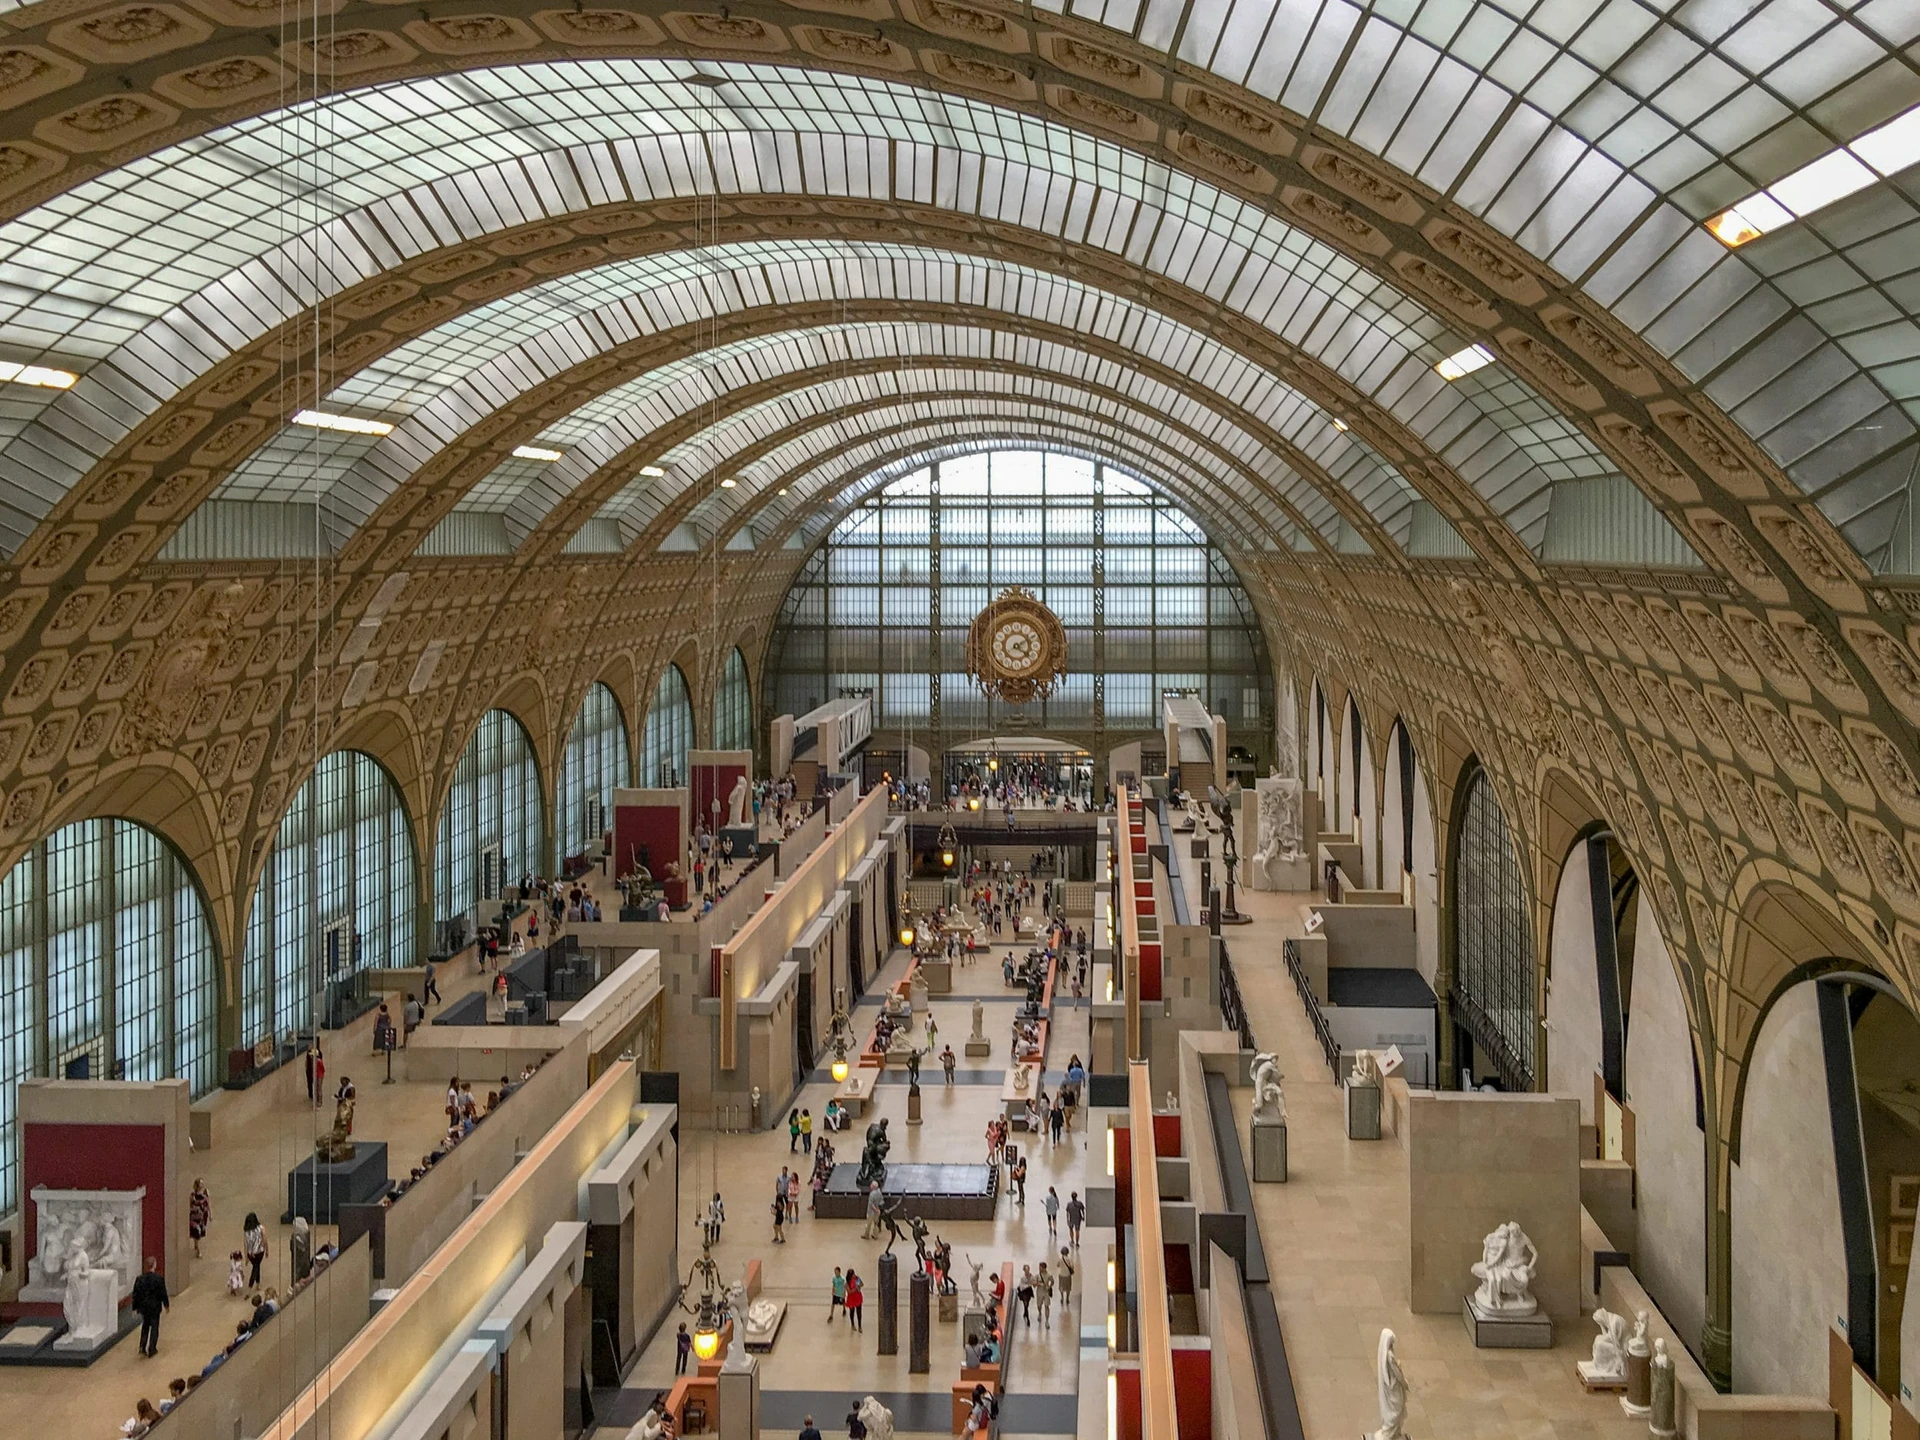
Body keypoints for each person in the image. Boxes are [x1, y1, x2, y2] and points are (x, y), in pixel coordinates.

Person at [131, 1256, 169, 1357]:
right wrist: (166, 1305)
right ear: (154, 1265)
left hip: (144, 1307)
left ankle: (142, 1346)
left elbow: (135, 1295)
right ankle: (152, 1348)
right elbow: (163, 1293)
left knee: (145, 1326)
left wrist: (134, 1308)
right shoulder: (159, 1279)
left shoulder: (139, 1279)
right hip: (155, 1307)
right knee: (154, 1327)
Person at [242, 1212, 267, 1288]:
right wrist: (267, 1250)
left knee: (256, 1266)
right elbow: (264, 1240)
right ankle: (252, 1284)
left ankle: (257, 1283)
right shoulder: (261, 1228)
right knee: (256, 1267)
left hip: (251, 1254)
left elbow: (245, 1244)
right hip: (260, 1252)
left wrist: (246, 1256)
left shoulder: (246, 1232)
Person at [188, 1178, 211, 1258]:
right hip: (194, 1216)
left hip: (203, 1216)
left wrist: (210, 1214)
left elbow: (208, 1204)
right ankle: (198, 1250)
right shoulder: (192, 1195)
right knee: (197, 1231)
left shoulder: (205, 1193)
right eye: (200, 1184)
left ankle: (196, 1244)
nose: (202, 1185)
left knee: (200, 1233)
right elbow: (190, 1205)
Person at [290, 1215, 313, 1282]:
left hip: (300, 1263)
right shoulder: (304, 1235)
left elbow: (302, 1250)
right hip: (300, 1262)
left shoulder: (299, 1238)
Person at [1035, 1262, 1054, 1328]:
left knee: (1046, 1306)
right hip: (1039, 1292)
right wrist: (1039, 1284)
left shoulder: (1049, 1275)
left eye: (1041, 1268)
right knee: (1039, 1305)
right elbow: (1034, 1284)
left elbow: (1052, 1281)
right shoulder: (1037, 1275)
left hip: (1046, 1292)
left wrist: (1049, 1286)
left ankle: (1047, 1321)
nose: (1039, 1269)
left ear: (1044, 1268)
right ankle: (1040, 1313)